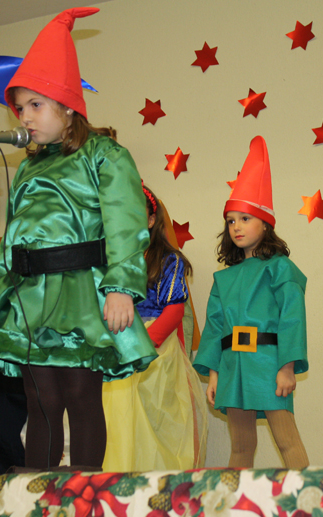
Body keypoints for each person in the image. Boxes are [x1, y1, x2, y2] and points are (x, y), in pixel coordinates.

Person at [0, 7, 157, 470]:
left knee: (80, 393)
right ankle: (37, 490)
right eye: (20, 107)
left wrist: (121, 287)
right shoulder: (28, 165)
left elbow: (125, 223)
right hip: (32, 295)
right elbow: (16, 234)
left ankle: (83, 489)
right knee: (40, 397)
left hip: (81, 289)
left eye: (35, 105)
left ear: (67, 106)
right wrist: (0, 290)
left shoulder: (104, 154)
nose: (25, 116)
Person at [193, 136, 309, 469]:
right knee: (241, 446)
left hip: (268, 364)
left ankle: (307, 496)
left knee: (287, 440)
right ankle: (237, 498)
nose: (236, 227)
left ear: (265, 222)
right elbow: (215, 327)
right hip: (233, 366)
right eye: (231, 221)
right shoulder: (224, 278)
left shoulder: (281, 268)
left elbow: (292, 318)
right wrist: (214, 374)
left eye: (245, 219)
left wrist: (287, 366)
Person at [102, 184, 208, 471]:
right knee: (120, 420)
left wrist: (144, 344)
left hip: (155, 349)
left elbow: (175, 310)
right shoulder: (111, 261)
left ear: (151, 220)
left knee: (157, 421)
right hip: (118, 346)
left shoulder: (168, 259)